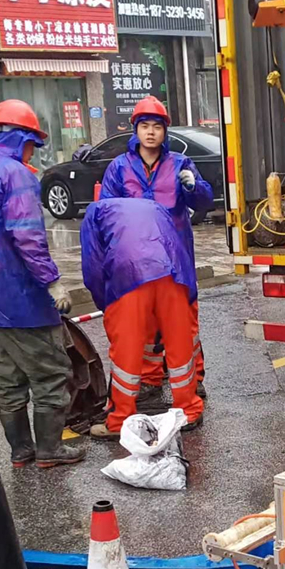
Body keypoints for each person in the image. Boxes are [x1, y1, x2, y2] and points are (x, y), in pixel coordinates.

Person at [0, 99, 85, 468]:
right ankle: (49, 450)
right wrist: (52, 282)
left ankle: (21, 451)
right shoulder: (16, 175)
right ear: (21, 139)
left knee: (6, 379)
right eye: (32, 144)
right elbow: (27, 235)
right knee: (50, 374)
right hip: (21, 298)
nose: (33, 152)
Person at [99, 96, 212, 407]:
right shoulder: (119, 168)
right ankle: (149, 380)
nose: (150, 132)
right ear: (136, 130)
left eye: (157, 127)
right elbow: (106, 212)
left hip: (175, 259)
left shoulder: (180, 164)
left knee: (184, 324)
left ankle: (194, 379)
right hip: (136, 261)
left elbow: (205, 202)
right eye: (145, 126)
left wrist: (193, 187)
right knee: (146, 324)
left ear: (165, 132)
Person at [81, 196, 204, 437]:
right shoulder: (154, 206)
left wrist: (106, 303)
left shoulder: (94, 212)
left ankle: (120, 420)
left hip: (129, 275)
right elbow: (178, 243)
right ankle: (188, 410)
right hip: (174, 272)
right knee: (179, 342)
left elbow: (93, 264)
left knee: (126, 350)